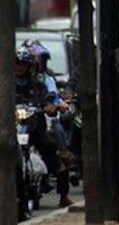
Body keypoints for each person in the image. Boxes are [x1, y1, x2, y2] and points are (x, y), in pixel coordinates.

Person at [15, 47, 74, 207]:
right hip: (13, 130)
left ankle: (64, 195)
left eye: (23, 64)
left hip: (35, 129)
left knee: (54, 150)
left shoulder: (38, 85)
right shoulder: (6, 83)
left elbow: (49, 99)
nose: (20, 67)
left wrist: (49, 106)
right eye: (17, 63)